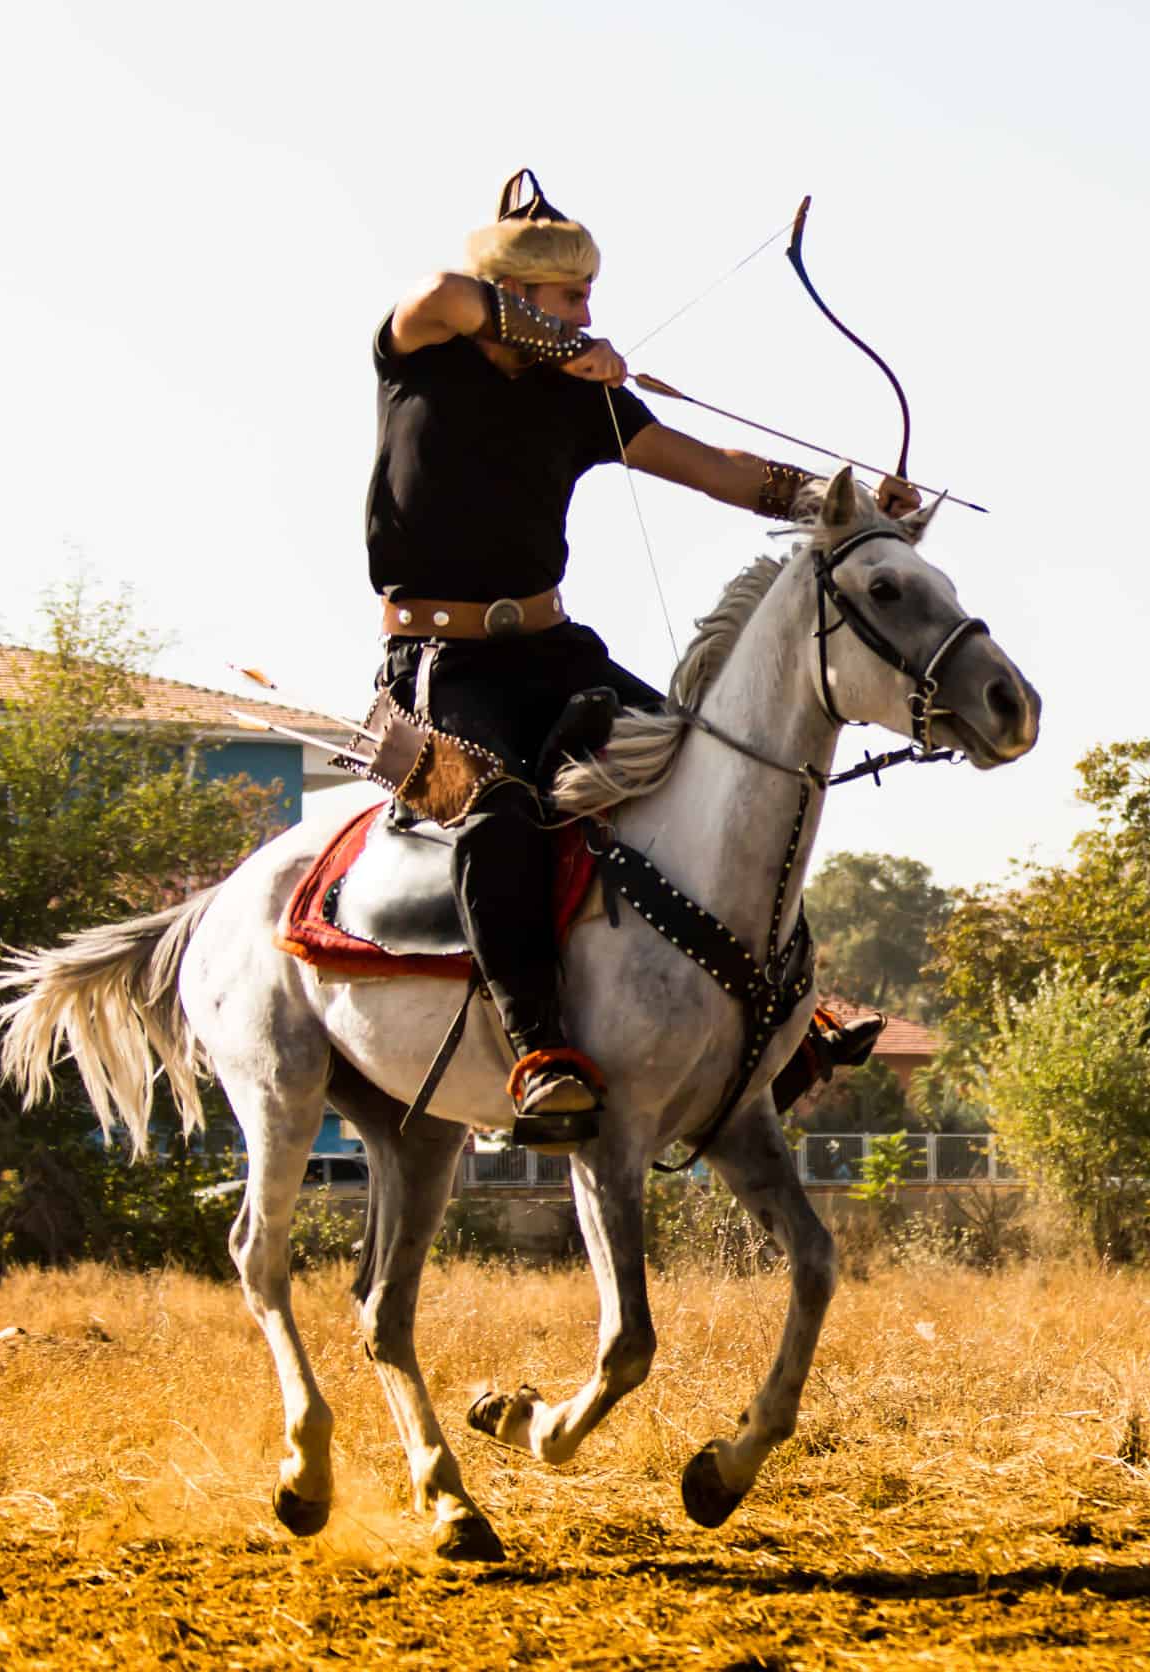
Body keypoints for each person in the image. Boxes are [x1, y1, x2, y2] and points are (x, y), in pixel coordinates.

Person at [367, 169, 904, 1146]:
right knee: (494, 810)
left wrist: (854, 501)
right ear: (522, 296)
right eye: (570, 295)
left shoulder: (580, 405)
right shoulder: (423, 355)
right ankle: (538, 1052)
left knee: (709, 763)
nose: (588, 310)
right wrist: (569, 345)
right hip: (436, 668)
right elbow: (444, 294)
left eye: (586, 297)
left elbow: (719, 471)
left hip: (552, 648)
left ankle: (786, 1007)